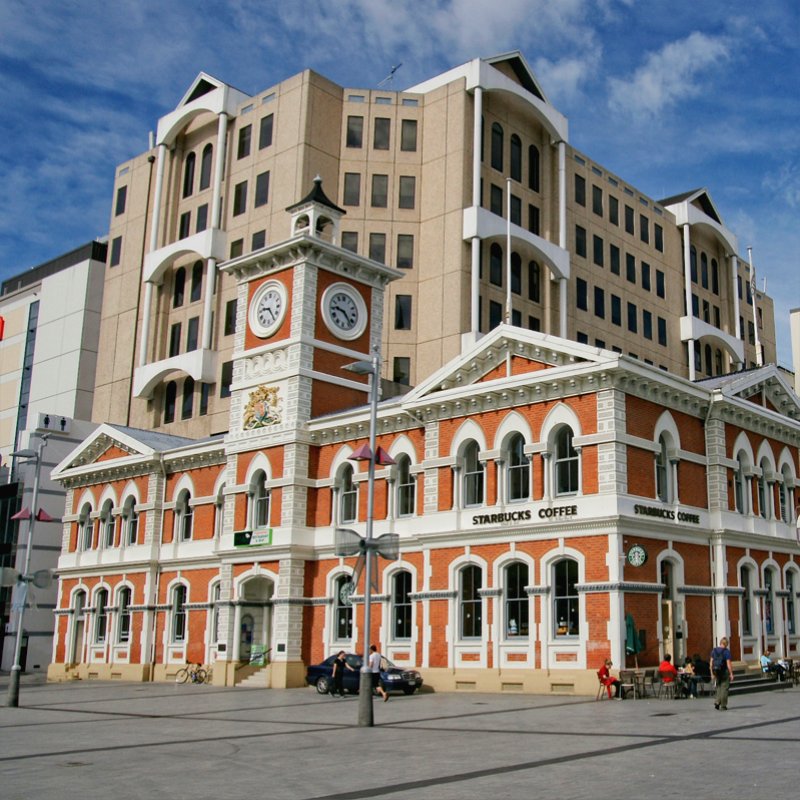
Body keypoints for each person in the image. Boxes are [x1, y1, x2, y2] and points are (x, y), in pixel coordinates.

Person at [710, 637, 734, 710]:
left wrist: (712, 673)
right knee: (724, 688)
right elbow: (728, 664)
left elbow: (711, 663)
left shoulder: (714, 650)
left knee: (718, 687)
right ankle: (723, 705)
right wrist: (731, 673)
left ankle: (717, 701)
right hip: (724, 671)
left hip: (716, 671)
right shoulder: (726, 652)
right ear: (726, 644)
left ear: (720, 642)